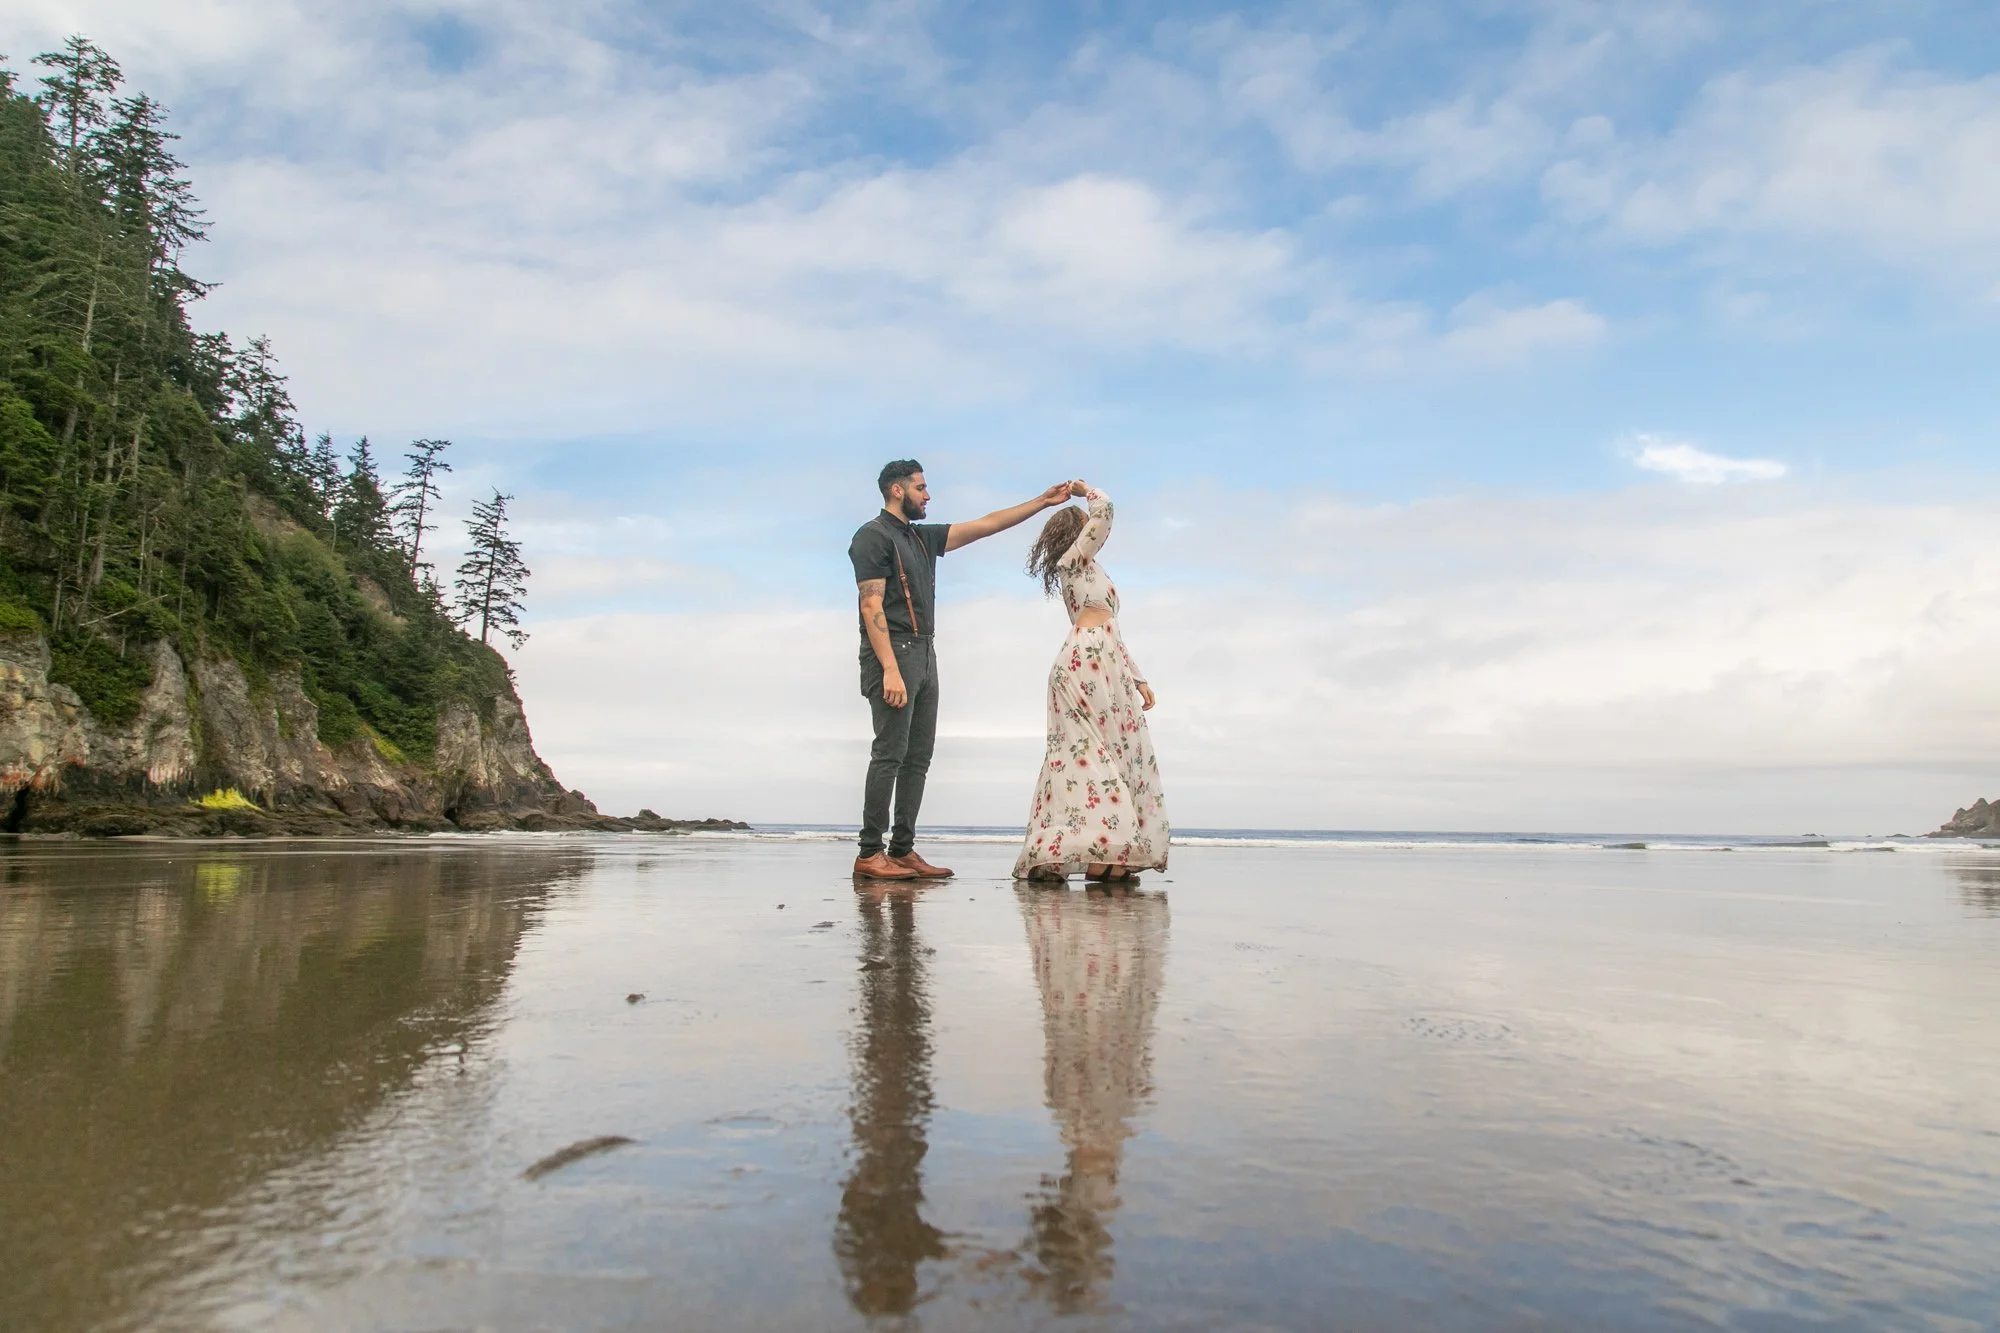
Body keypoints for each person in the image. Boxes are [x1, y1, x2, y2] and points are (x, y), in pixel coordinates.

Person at [850, 461, 1075, 880]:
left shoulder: (920, 537)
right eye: (921, 487)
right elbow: (870, 605)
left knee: (917, 758)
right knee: (889, 754)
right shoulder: (872, 536)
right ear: (897, 490)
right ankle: (869, 852)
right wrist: (890, 670)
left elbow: (987, 524)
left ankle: (901, 850)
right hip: (892, 652)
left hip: (925, 652)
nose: (928, 495)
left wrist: (1043, 502)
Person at [1013, 482, 1169, 881]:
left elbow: (1113, 630)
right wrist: (1087, 491)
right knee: (1086, 757)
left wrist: (1138, 678)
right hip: (1084, 665)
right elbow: (1106, 512)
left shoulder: (1092, 570)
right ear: (1078, 533)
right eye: (1085, 527)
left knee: (1108, 754)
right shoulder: (1074, 561)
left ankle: (1104, 855)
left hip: (1106, 664)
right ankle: (1079, 853)